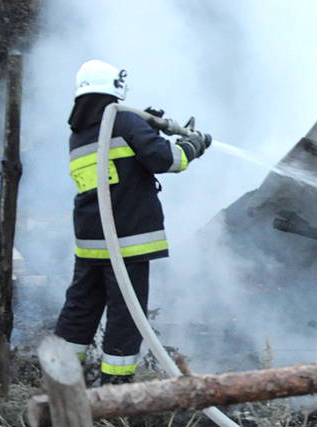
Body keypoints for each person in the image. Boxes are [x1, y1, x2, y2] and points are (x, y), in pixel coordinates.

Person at [54, 59, 211, 384]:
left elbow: (118, 170)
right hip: (126, 244)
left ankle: (59, 383)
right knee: (125, 319)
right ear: (117, 88)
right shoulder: (123, 121)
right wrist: (193, 145)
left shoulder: (80, 133)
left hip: (91, 246)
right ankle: (115, 395)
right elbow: (167, 160)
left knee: (79, 311)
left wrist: (148, 129)